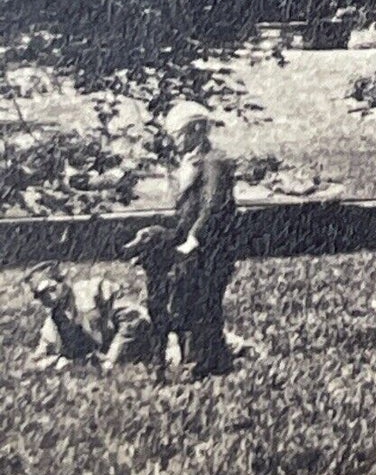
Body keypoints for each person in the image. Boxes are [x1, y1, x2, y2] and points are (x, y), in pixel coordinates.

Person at [164, 100, 238, 379]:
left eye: (179, 135)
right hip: (190, 245)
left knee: (204, 301)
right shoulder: (190, 163)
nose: (176, 142)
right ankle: (214, 359)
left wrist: (194, 237)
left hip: (211, 246)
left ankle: (200, 363)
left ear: (196, 130)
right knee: (188, 299)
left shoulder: (214, 161)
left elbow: (213, 204)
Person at [23, 262, 155, 371]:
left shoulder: (95, 290)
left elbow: (133, 319)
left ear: (63, 281)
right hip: (104, 364)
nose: (48, 298)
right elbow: (38, 358)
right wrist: (57, 361)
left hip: (145, 350)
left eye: (51, 289)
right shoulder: (54, 321)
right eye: (40, 295)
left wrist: (111, 358)